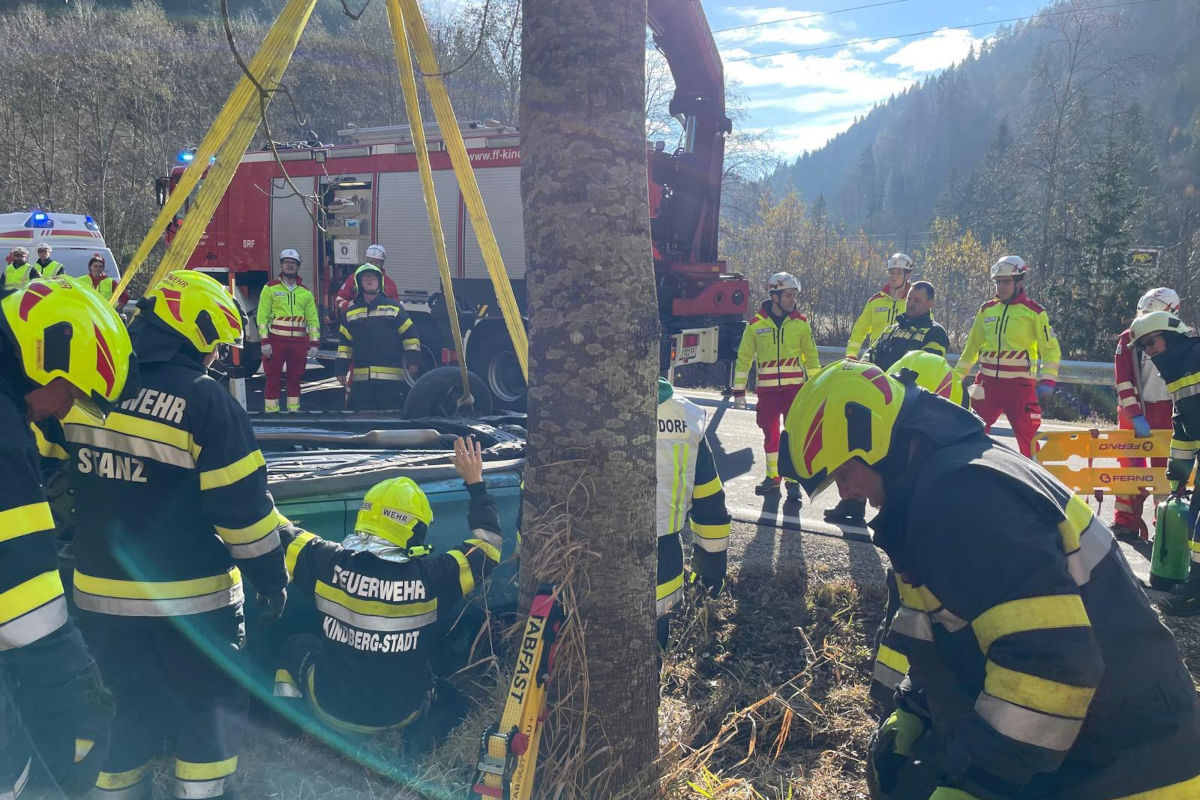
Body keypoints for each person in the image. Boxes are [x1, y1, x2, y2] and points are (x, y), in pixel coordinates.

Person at [779, 360, 1200, 800]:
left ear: (874, 439)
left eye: (843, 473)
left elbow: (1050, 666)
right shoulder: (945, 485)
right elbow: (953, 627)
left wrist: (977, 783)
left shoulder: (961, 499)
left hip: (1129, 770)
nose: (845, 492)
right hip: (1093, 750)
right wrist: (916, 708)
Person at [44, 270, 290, 800]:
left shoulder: (91, 385)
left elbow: (49, 470)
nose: (214, 360)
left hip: (101, 602)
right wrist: (272, 578)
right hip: (195, 609)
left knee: (122, 711)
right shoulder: (206, 402)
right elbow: (243, 517)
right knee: (208, 713)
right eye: (213, 347)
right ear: (194, 334)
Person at [1, 278, 135, 797]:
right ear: (43, 358)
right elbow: (24, 609)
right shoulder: (6, 441)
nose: (64, 408)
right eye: (71, 391)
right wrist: (81, 689)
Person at [272, 436, 503, 736]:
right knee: (447, 694)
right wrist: (475, 482)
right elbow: (489, 547)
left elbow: (277, 529)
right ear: (416, 529)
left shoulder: (325, 562)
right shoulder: (435, 576)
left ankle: (285, 735)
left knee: (294, 646)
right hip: (401, 715)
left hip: (330, 708)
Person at [826, 281, 950, 525]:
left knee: (897, 466)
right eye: (909, 299)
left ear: (930, 304)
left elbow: (929, 366)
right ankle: (853, 502)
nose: (911, 304)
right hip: (874, 402)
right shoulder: (892, 328)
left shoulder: (935, 332)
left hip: (906, 408)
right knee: (862, 455)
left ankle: (893, 517)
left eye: (917, 300)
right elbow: (869, 355)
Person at [1130, 310, 1200, 616]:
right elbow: (1184, 430)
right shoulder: (1179, 368)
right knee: (1194, 519)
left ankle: (1195, 595)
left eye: (1152, 342)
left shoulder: (1193, 359)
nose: (1149, 351)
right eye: (1143, 346)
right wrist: (1178, 478)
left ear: (1171, 337)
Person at [954, 256, 1060, 457]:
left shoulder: (1034, 312)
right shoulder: (986, 310)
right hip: (986, 384)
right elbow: (972, 348)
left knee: (1027, 439)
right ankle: (974, 477)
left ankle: (1034, 484)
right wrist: (955, 378)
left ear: (1019, 282)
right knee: (971, 431)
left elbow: (1051, 350)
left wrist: (1048, 381)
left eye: (1006, 282)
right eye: (998, 281)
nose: (1001, 286)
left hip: (1019, 387)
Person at [655, 378, 730, 648]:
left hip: (586, 566)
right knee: (649, 663)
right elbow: (709, 502)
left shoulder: (584, 409)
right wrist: (710, 574)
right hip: (661, 565)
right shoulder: (685, 416)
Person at [730, 272, 820, 500]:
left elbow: (811, 356)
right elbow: (744, 359)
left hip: (794, 391)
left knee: (792, 436)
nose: (793, 299)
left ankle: (792, 480)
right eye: (789, 295)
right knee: (771, 436)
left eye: (794, 295)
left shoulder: (801, 324)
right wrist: (739, 391)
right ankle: (773, 477)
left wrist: (817, 389)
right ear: (775, 296)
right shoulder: (755, 325)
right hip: (767, 393)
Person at [1111, 288, 1180, 541]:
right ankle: (1125, 523)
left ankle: (1165, 524)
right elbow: (1123, 381)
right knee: (1130, 470)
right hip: (1135, 412)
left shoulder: (1184, 338)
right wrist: (1134, 414)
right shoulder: (1128, 339)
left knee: (1167, 473)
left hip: (1168, 411)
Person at [335, 263, 421, 411]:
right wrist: (341, 370)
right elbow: (345, 345)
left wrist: (413, 362)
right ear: (359, 283)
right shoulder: (351, 312)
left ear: (379, 282)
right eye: (365, 278)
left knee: (390, 423)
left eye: (373, 278)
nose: (369, 280)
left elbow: (410, 336)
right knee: (361, 422)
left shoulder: (394, 308)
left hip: (390, 383)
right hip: (362, 383)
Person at [257, 248, 319, 413]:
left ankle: (294, 412)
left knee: (295, 379)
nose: (289, 266)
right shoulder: (269, 288)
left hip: (299, 343)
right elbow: (262, 318)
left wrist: (314, 343)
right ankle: (271, 414)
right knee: (273, 378)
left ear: (298, 266)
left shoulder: (305, 293)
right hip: (276, 341)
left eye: (293, 263)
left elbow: (313, 320)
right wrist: (264, 342)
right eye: (286, 263)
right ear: (281, 265)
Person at [845, 253, 914, 360]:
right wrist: (851, 355)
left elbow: (925, 329)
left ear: (908, 276)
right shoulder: (875, 301)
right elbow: (859, 330)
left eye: (899, 273)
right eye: (891, 272)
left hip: (902, 361)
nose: (894, 277)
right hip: (874, 358)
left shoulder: (914, 302)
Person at [334, 244, 399, 316]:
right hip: (357, 324)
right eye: (371, 262)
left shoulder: (390, 284)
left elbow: (397, 308)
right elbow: (339, 299)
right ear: (366, 261)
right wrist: (350, 307)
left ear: (382, 263)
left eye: (376, 262)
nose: (373, 265)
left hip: (382, 324)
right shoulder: (353, 279)